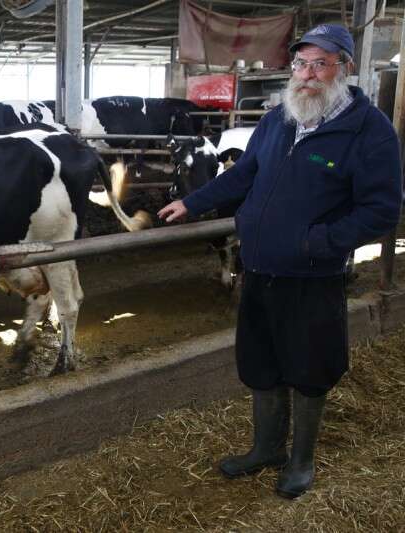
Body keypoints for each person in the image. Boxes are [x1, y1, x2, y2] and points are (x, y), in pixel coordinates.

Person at [158, 23, 402, 499]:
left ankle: (301, 459)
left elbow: (382, 210)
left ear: (345, 69)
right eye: (301, 63)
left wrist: (320, 242)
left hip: (314, 275)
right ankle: (266, 448)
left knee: (309, 367)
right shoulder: (278, 120)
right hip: (261, 268)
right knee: (261, 361)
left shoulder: (369, 132)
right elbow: (245, 174)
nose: (308, 74)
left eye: (320, 63)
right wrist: (195, 202)